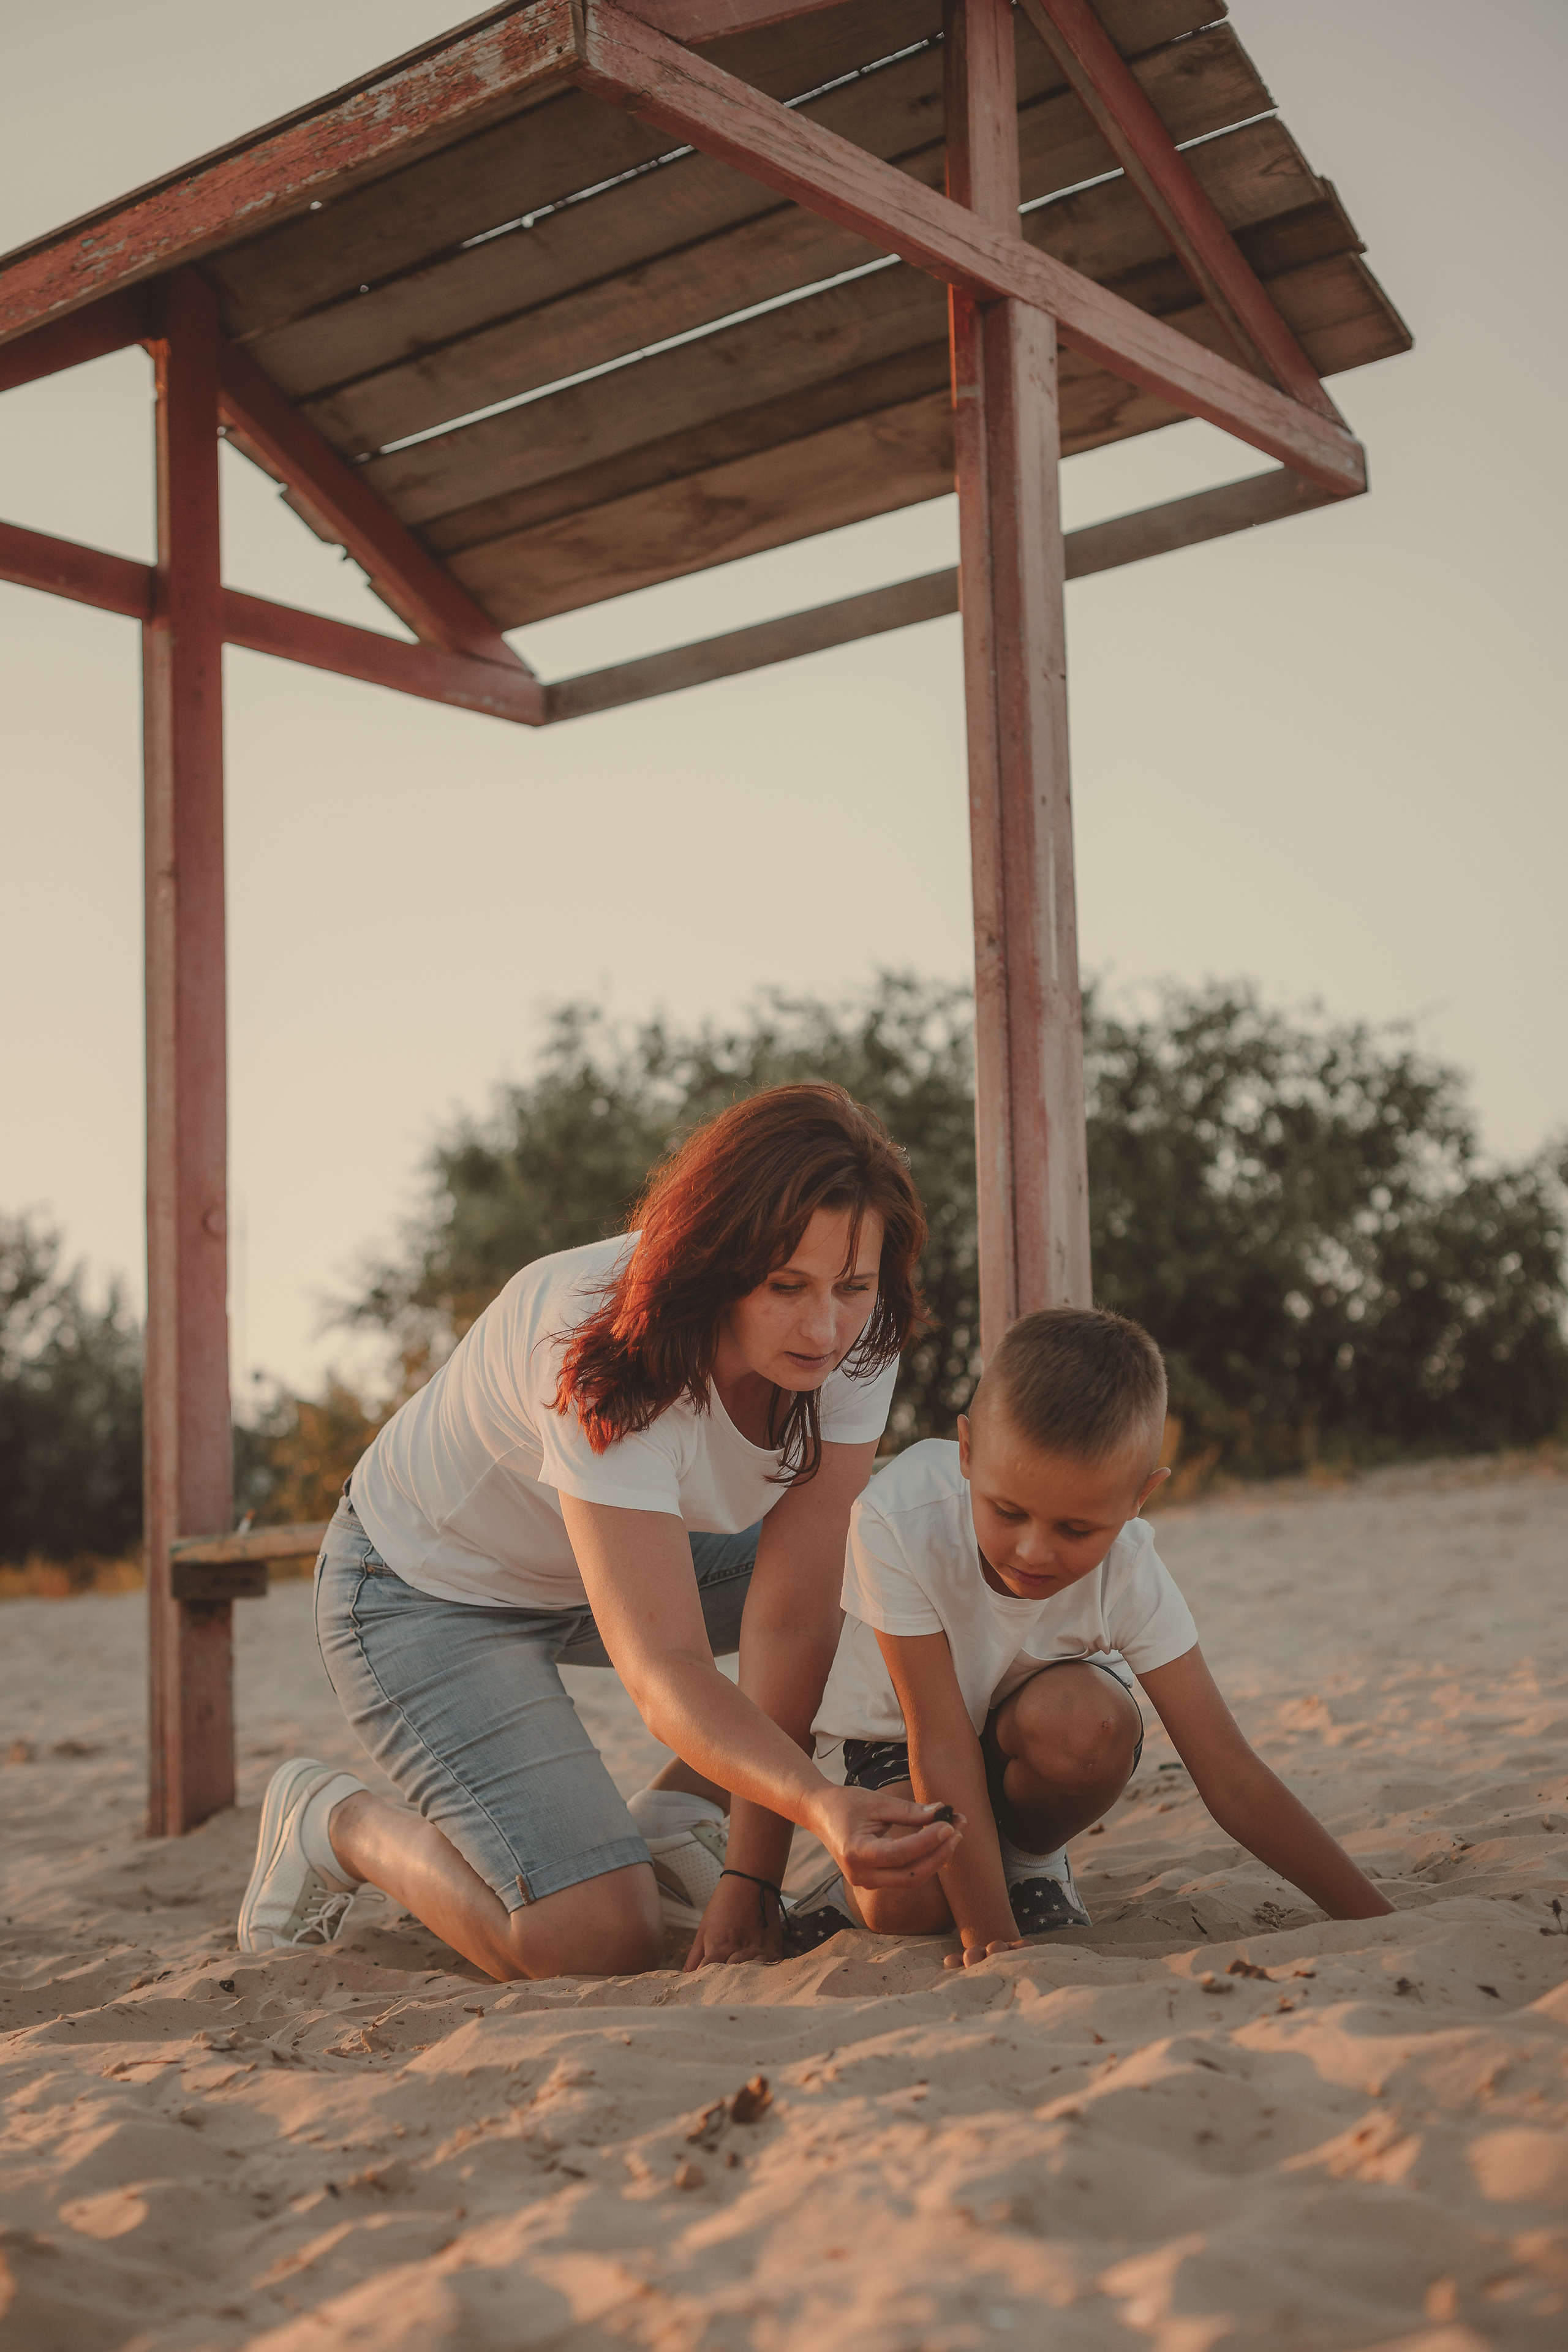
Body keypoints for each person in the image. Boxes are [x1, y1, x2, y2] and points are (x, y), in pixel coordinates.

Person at [237, 1085, 960, 1981]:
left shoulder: (857, 1333)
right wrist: (816, 1802)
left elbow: (797, 1615)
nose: (823, 1328)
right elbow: (665, 1670)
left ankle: (674, 1815)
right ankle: (337, 1822)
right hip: (424, 1593)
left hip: (621, 1564)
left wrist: (751, 1877)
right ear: (716, 1260)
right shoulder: (596, 1336)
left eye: (851, 1287)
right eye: (786, 1287)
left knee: (898, 1550)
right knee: (593, 1940)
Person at [804, 1305, 1394, 1966]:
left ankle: (1027, 1863)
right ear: (967, 1452)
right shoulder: (900, 1516)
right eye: (1007, 1512)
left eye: (1076, 1530)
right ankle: (839, 1894)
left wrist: (1376, 1921)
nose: (1033, 1551)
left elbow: (1231, 1778)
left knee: (1093, 1725)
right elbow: (940, 1744)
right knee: (909, 1905)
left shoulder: (1131, 1567)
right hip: (905, 1742)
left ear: (1140, 1497)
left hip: (1023, 1734)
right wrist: (992, 1943)